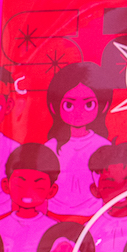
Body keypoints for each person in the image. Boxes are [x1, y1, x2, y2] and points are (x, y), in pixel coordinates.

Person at [41, 63, 111, 220]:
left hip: (93, 216)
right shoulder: (50, 148)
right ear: (54, 106)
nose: (78, 112)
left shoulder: (103, 146)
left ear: (103, 105)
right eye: (69, 104)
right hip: (55, 215)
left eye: (88, 104)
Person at [0, 142, 60, 252]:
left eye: (38, 186)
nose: (28, 192)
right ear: (6, 185)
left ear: (51, 190)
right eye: (20, 184)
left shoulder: (54, 230)